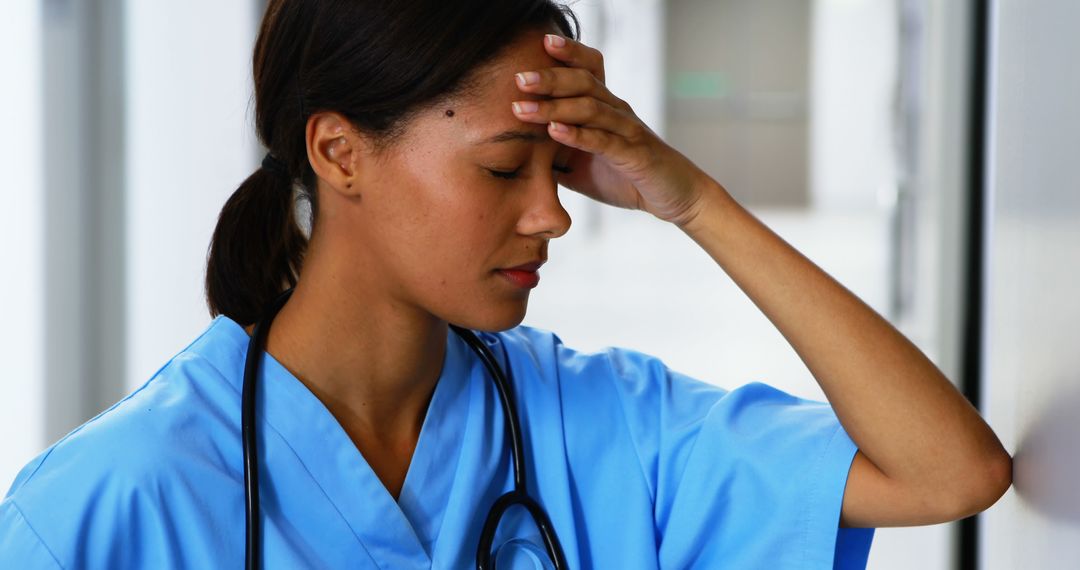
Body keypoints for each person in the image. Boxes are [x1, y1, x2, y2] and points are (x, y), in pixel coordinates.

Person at [0, 1, 1012, 568]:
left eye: (559, 166)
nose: (554, 213)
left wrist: (694, 199)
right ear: (339, 151)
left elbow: (951, 474)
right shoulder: (114, 502)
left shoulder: (603, 427)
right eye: (501, 169)